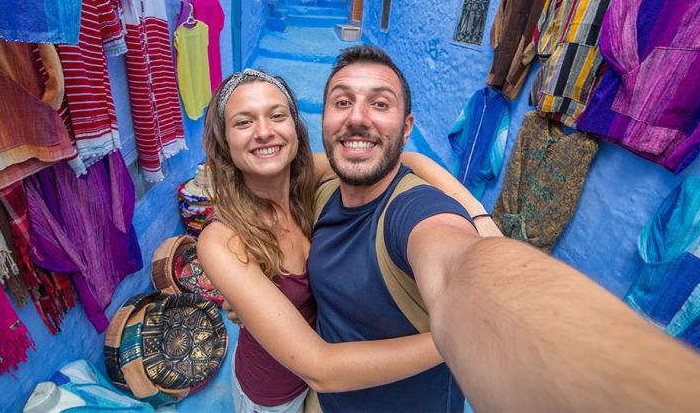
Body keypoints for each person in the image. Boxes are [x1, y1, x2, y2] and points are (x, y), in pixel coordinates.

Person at [312, 45, 700, 412]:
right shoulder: (322, 189)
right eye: (342, 102)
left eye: (380, 104)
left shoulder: (415, 212)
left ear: (407, 128)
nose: (358, 118)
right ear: (325, 119)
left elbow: (462, 271)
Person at [197, 69, 489, 413]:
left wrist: (480, 218)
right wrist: (453, 340)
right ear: (224, 141)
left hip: (321, 390)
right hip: (275, 396)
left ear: (294, 127)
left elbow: (406, 160)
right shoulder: (222, 240)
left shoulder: (308, 181)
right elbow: (321, 368)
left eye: (277, 116)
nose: (264, 132)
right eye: (244, 123)